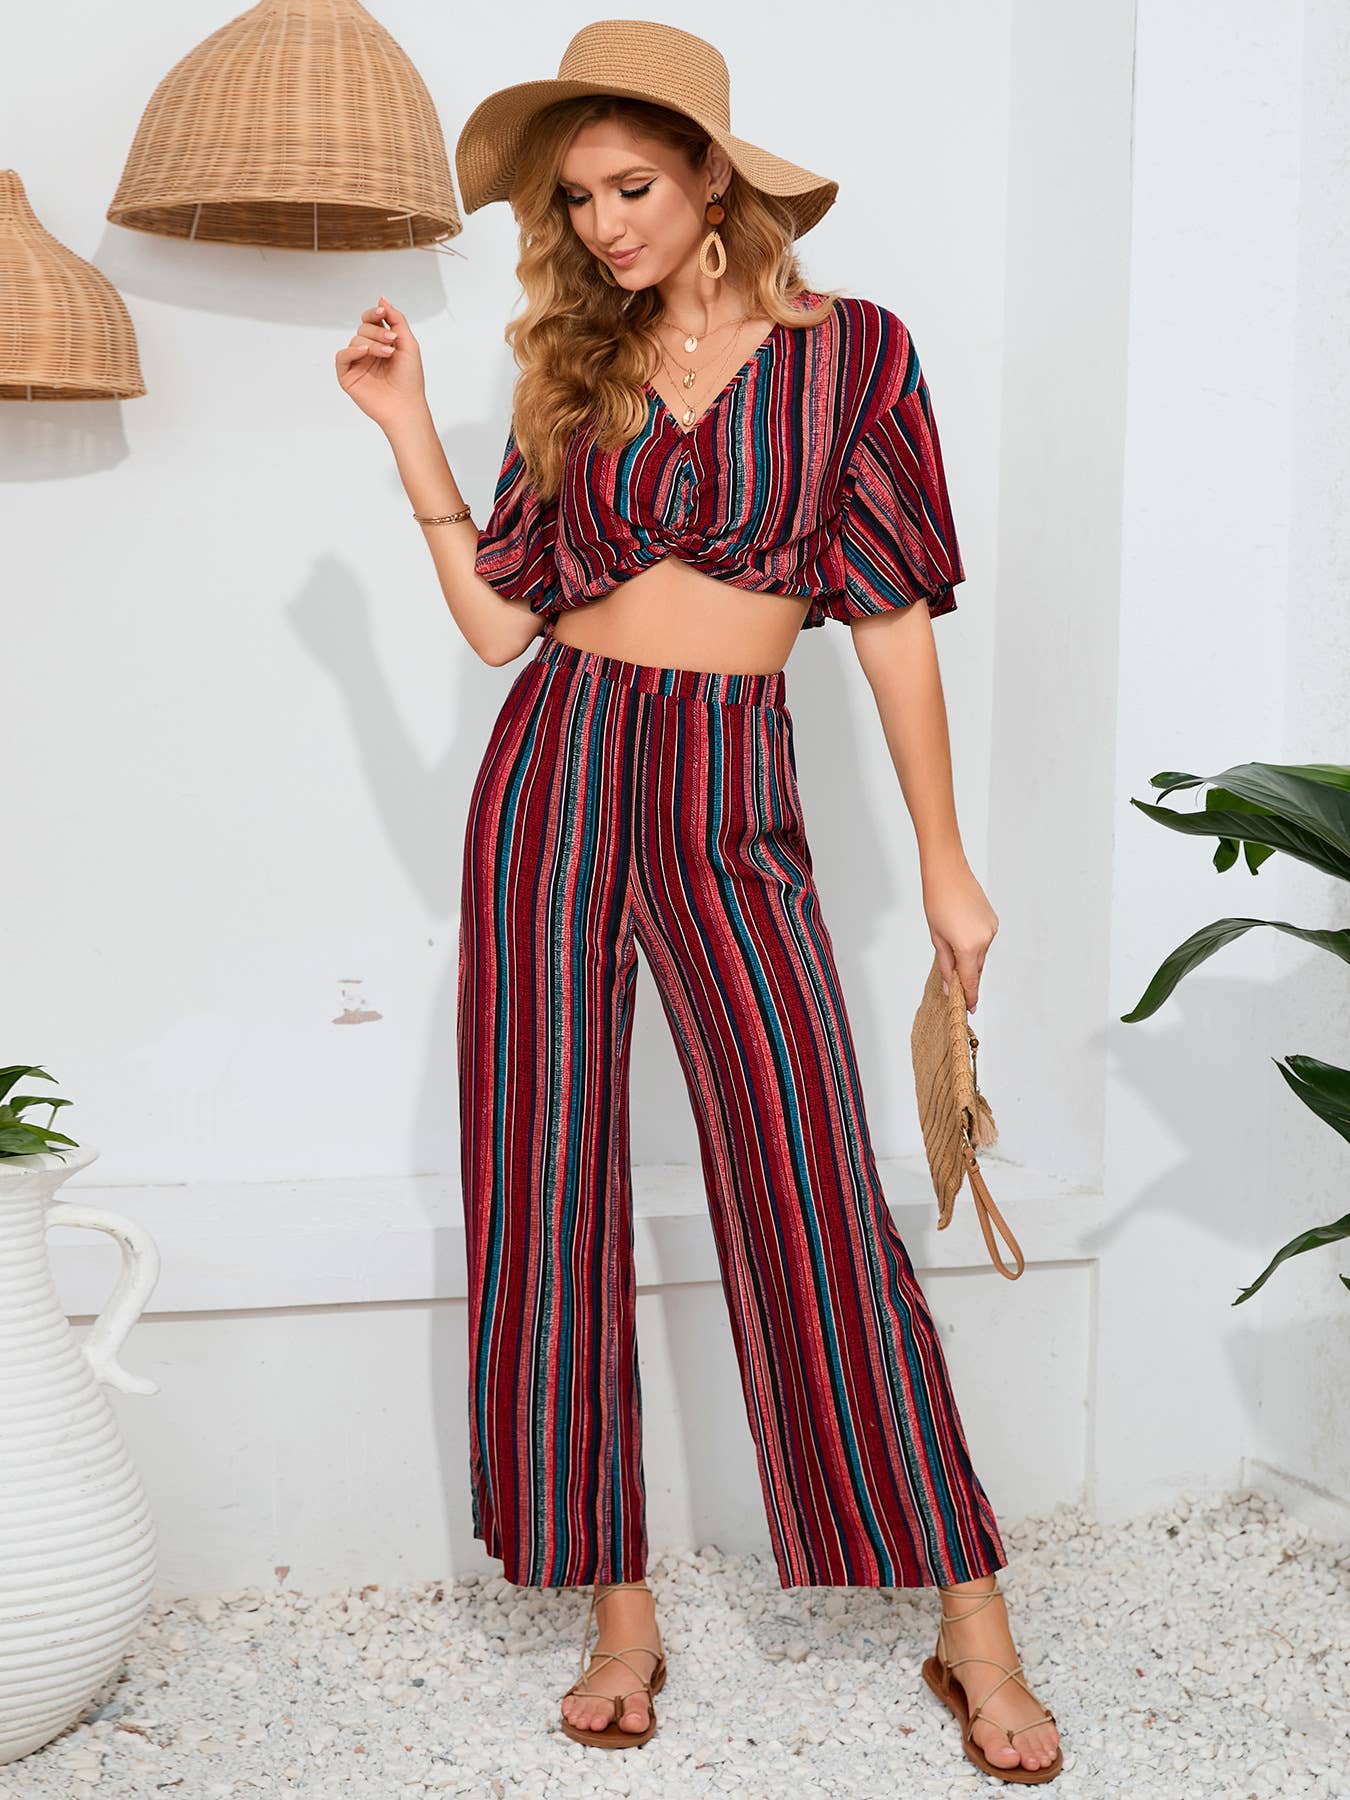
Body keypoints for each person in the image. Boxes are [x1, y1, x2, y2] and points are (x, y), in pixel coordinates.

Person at [334, 18, 1062, 1784]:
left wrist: (946, 858)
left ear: (713, 177)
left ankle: (969, 1623)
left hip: (729, 782)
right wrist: (410, 432)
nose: (602, 225)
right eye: (576, 200)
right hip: (554, 771)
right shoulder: (567, 374)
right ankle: (618, 1617)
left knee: (808, 1181)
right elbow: (501, 629)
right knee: (546, 1181)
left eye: (631, 187)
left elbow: (890, 620)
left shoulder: (852, 356)